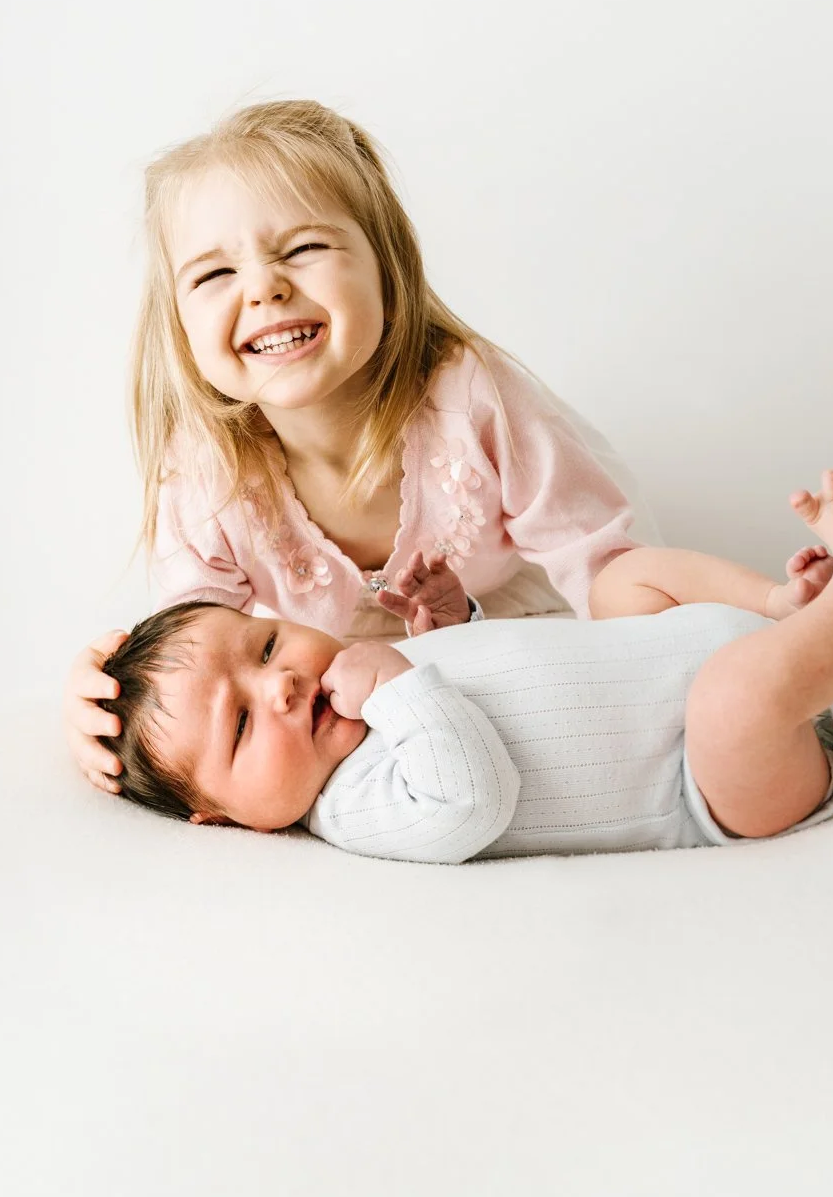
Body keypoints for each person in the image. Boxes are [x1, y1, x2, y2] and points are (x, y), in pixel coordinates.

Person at [65, 99, 665, 794]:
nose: (264, 288)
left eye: (303, 249)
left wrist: (656, 683)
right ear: (179, 326)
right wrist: (109, 703)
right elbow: (190, 646)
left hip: (521, 624)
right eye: (214, 275)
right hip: (332, 694)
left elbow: (599, 566)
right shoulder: (208, 472)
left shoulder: (471, 400)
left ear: (388, 270)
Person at [95, 467, 833, 863]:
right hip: (718, 777)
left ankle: (778, 606)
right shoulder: (352, 806)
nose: (281, 685)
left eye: (267, 646)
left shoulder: (371, 683)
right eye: (240, 724)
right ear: (224, 815)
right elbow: (471, 800)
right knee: (731, 698)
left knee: (621, 579)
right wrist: (402, 689)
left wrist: (448, 625)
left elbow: (508, 671)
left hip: (687, 651)